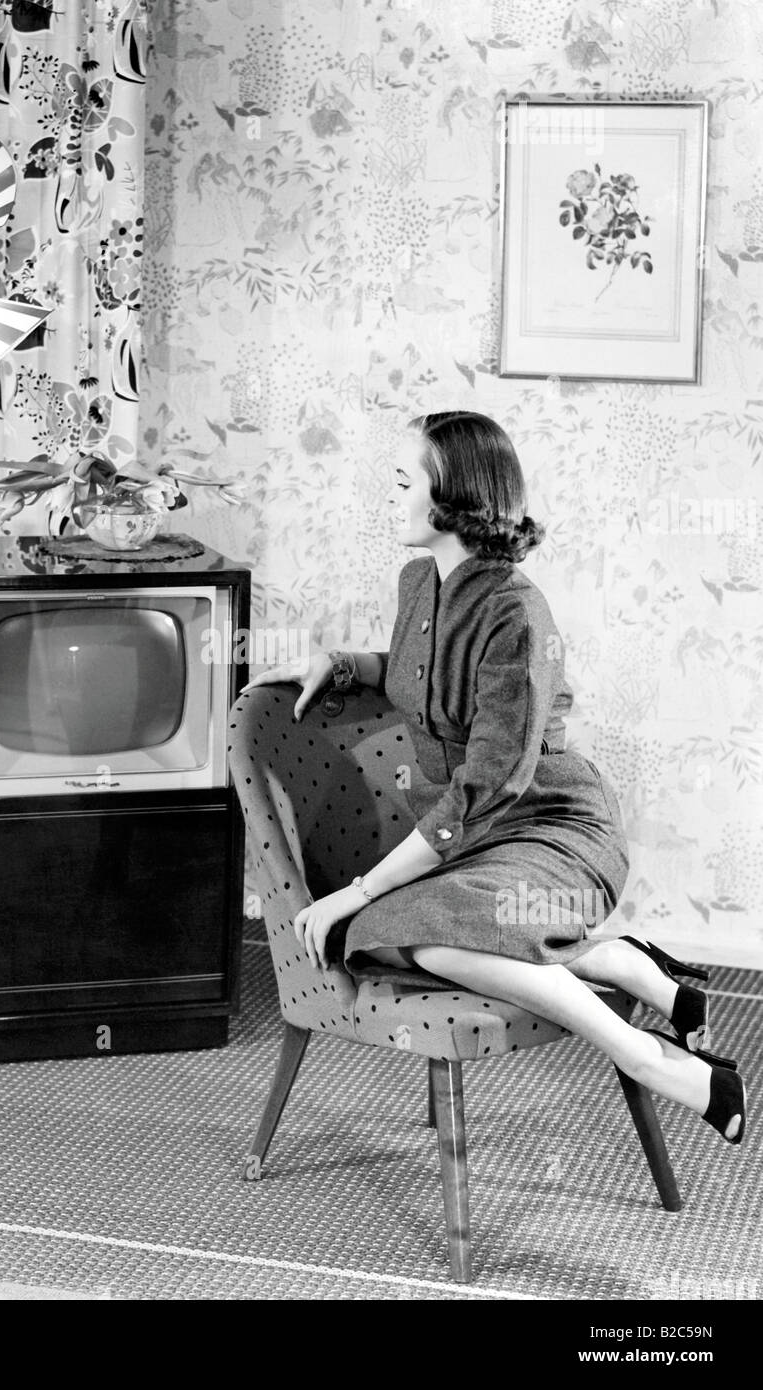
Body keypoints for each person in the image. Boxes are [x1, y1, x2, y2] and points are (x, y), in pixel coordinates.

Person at [240, 410, 746, 1145]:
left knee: (407, 929)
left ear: (450, 498)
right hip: (472, 841)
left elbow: (486, 787)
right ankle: (620, 961)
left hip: (551, 831)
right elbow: (427, 681)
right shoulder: (419, 578)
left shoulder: (519, 614)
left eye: (401, 480)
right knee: (386, 931)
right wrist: (342, 664)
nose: (388, 496)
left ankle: (652, 1060)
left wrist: (357, 887)